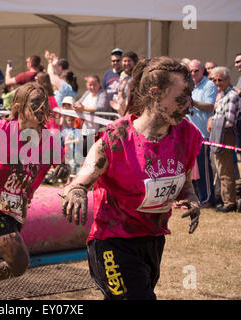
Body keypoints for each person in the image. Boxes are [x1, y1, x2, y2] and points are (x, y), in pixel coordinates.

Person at [61, 57, 202, 300]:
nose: (189, 104)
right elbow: (81, 179)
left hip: (152, 240)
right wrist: (76, 192)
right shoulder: (116, 139)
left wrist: (191, 199)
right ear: (155, 93)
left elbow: (185, 180)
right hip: (113, 242)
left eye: (190, 96)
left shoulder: (187, 136)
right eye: (181, 97)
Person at [0, 82, 71, 300]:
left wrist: (63, 170)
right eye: (35, 105)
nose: (41, 110)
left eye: (44, 105)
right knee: (18, 262)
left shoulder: (49, 140)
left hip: (15, 207)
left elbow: (62, 165)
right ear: (19, 106)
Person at [207, 67, 240, 212]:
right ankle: (226, 199)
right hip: (219, 134)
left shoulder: (231, 96)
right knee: (220, 169)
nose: (217, 83)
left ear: (228, 80)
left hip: (226, 135)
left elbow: (230, 121)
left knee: (225, 169)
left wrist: (213, 120)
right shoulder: (222, 95)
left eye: (220, 80)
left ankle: (229, 202)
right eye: (214, 80)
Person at [187, 59, 218, 208]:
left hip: (203, 135)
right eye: (191, 71)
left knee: (204, 169)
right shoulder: (189, 86)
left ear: (202, 71)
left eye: (196, 71)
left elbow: (209, 107)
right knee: (192, 171)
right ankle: (197, 197)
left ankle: (207, 199)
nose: (193, 74)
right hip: (189, 136)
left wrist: (192, 103)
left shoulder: (209, 85)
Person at [73, 75, 112, 157]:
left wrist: (84, 108)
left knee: (94, 155)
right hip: (84, 129)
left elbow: (101, 107)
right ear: (87, 85)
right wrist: (72, 106)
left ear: (99, 84)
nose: (92, 87)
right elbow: (78, 103)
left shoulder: (102, 93)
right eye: (90, 85)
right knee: (83, 154)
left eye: (94, 85)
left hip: (97, 131)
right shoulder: (87, 93)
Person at [110, 51, 139, 115]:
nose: (126, 63)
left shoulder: (138, 77)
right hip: (122, 112)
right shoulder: (123, 75)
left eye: (129, 61)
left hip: (134, 112)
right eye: (124, 61)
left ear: (135, 62)